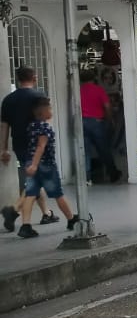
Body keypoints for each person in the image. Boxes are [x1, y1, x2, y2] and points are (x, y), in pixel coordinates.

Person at [15, 95, 76, 238]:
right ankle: (71, 219)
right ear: (42, 113)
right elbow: (41, 147)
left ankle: (26, 225)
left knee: (30, 194)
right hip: (46, 166)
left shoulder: (31, 126)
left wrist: (32, 165)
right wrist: (36, 165)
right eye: (50, 109)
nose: (52, 111)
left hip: (31, 162)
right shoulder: (45, 127)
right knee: (57, 193)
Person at [0, 67, 47, 231]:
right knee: (35, 180)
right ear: (34, 77)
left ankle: (46, 213)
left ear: (18, 79)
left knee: (34, 177)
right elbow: (45, 121)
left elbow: (4, 126)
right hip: (37, 144)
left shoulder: (8, 100)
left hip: (19, 144)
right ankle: (12, 211)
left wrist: (4, 148)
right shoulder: (39, 97)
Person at [80, 75, 120, 183]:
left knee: (85, 151)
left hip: (81, 122)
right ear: (94, 80)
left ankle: (87, 178)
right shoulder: (99, 90)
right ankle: (113, 173)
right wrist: (110, 120)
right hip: (96, 122)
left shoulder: (79, 90)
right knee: (103, 149)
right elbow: (107, 106)